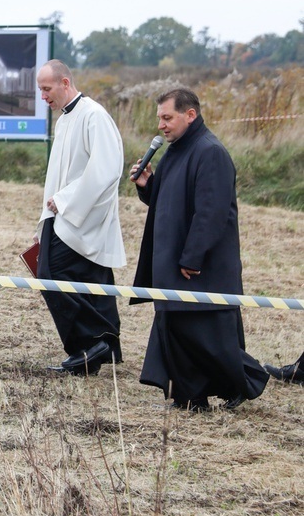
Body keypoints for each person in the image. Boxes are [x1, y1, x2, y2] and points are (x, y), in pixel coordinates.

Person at [129, 88, 268, 411]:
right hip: (172, 264)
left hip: (198, 268)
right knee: (178, 330)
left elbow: (211, 213)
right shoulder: (175, 150)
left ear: (190, 115)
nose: (161, 126)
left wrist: (193, 257)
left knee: (208, 339)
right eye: (159, 119)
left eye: (168, 117)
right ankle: (190, 396)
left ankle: (245, 382)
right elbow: (169, 203)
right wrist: (149, 186)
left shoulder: (210, 152)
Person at [35, 60, 126, 375]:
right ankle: (90, 350)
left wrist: (65, 202)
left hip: (81, 216)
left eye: (46, 89)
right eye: (40, 90)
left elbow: (106, 169)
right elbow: (57, 175)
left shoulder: (94, 115)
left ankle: (93, 344)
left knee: (53, 274)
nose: (43, 96)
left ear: (64, 82)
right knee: (78, 279)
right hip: (59, 214)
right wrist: (44, 220)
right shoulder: (64, 121)